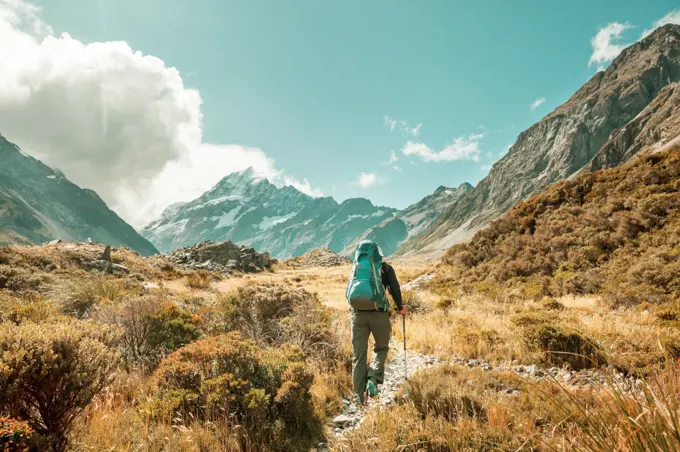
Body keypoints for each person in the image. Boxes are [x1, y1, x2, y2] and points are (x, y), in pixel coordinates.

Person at [350, 246, 407, 403]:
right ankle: (373, 379)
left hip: (357, 315)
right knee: (381, 347)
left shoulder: (357, 267)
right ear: (378, 255)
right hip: (379, 314)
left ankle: (359, 397)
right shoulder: (386, 268)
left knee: (358, 355)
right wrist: (400, 307)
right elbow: (394, 289)